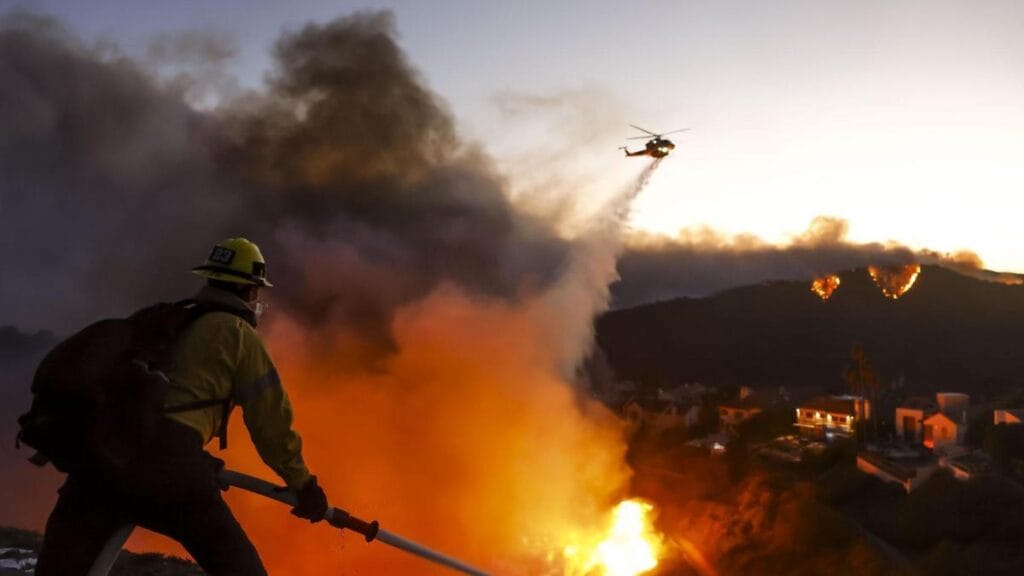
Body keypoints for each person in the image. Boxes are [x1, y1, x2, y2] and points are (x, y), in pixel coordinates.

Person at [36, 237, 327, 576]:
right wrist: (304, 486)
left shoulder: (166, 323)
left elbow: (158, 408)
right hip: (171, 474)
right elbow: (271, 424)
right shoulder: (237, 334)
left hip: (98, 469)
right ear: (249, 290)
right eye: (256, 292)